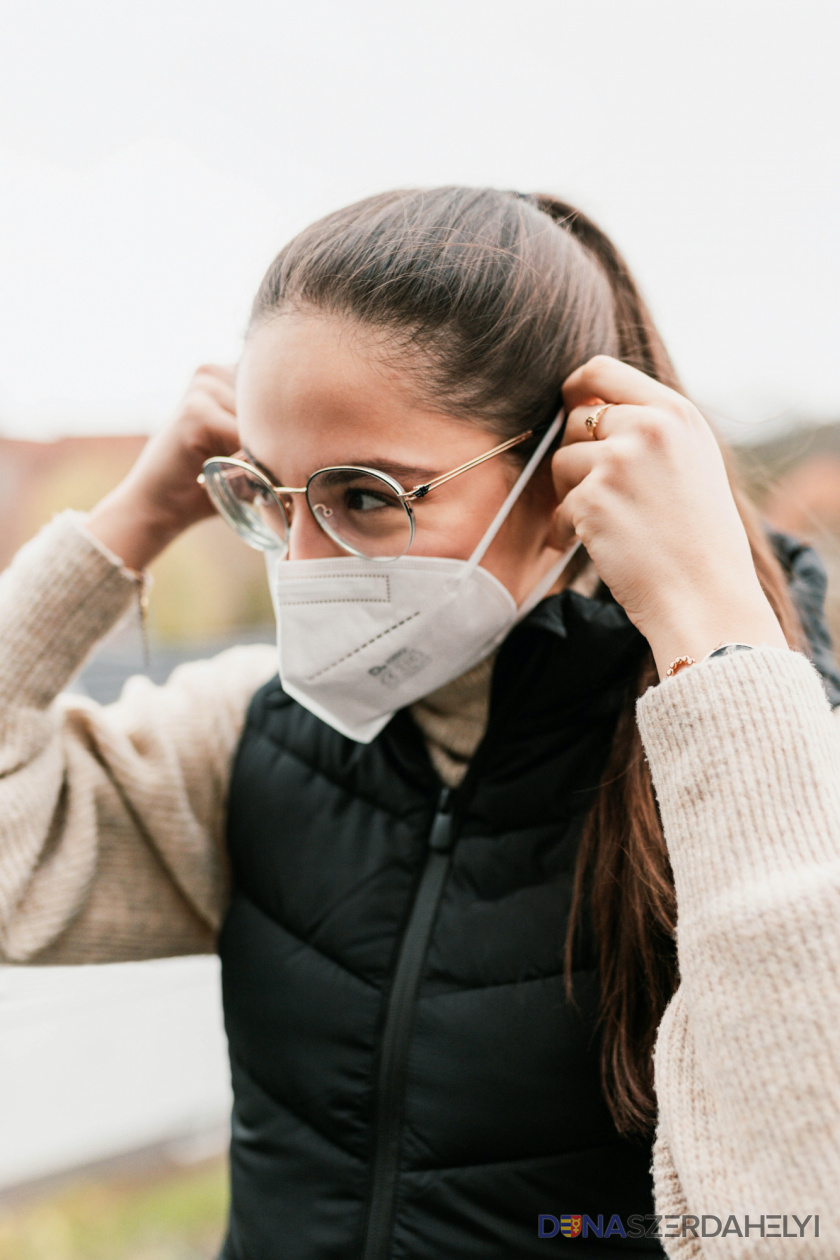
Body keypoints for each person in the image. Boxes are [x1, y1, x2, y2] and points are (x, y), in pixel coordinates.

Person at [1, 187, 839, 1260]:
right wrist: (131, 517)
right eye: (268, 495)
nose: (301, 566)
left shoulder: (771, 776)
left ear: (562, 477)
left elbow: (796, 1220)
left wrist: (713, 622)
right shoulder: (257, 738)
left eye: (364, 498)